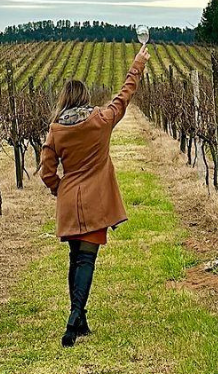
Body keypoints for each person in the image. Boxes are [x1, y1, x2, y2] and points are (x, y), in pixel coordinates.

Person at [39, 46, 149, 347]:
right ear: (86, 97)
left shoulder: (56, 129)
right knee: (86, 260)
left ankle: (79, 319)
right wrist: (138, 64)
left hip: (69, 202)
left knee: (75, 260)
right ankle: (75, 317)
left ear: (63, 99)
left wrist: (58, 189)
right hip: (95, 201)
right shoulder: (101, 119)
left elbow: (46, 169)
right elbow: (124, 96)